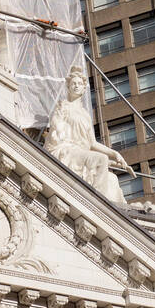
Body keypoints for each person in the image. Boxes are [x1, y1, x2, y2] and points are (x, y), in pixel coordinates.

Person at [44, 63, 135, 205]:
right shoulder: (62, 106)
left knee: (112, 179)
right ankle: (98, 206)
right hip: (66, 150)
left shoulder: (85, 115)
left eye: (79, 83)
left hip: (80, 153)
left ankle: (115, 214)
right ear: (68, 86)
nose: (76, 86)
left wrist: (115, 154)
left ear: (83, 89)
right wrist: (58, 127)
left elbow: (92, 144)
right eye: (73, 83)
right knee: (101, 160)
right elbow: (56, 131)